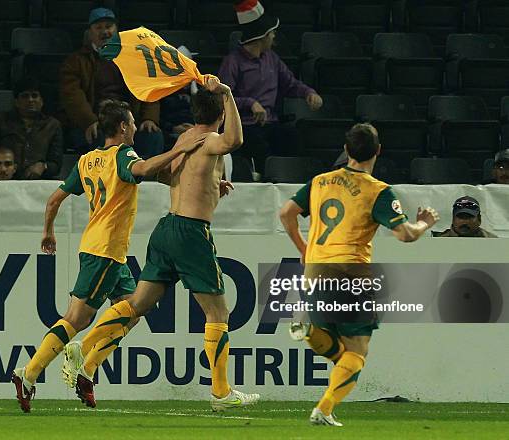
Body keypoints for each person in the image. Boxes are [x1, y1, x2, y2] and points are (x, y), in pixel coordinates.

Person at [61, 78, 259, 412]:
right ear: (221, 114)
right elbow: (235, 140)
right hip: (191, 232)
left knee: (137, 304)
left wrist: (211, 182)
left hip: (165, 229)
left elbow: (167, 174)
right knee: (218, 312)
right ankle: (221, 392)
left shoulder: (185, 138)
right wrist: (227, 93)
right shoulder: (211, 139)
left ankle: (86, 349)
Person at [11, 99, 206, 413]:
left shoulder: (88, 160)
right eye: (130, 124)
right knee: (77, 319)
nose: (133, 131)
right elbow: (143, 168)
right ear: (125, 127)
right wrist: (179, 150)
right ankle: (29, 374)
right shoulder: (125, 155)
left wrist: (48, 231)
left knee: (134, 309)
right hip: (105, 252)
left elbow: (53, 200)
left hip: (107, 252)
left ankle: (87, 369)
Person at [279, 123, 440, 426]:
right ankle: (324, 409)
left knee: (342, 354)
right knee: (357, 353)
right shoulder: (377, 190)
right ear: (378, 151)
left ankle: (311, 332)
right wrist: (425, 223)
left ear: (346, 150)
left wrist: (304, 247)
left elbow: (286, 213)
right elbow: (405, 235)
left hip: (314, 273)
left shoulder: (319, 181)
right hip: (350, 275)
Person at [218, 0, 323, 177]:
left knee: (292, 137)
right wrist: (250, 103)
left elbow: (290, 83)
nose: (274, 36)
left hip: (270, 123)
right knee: (258, 144)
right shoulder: (232, 62)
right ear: (262, 36)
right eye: (271, 33)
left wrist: (308, 93)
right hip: (244, 126)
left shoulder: (272, 59)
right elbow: (222, 97)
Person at [59, 7, 164, 158]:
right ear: (89, 33)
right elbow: (72, 96)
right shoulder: (76, 61)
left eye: (108, 27)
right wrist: (89, 121)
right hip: (97, 121)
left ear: (116, 30)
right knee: (98, 139)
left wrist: (149, 118)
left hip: (129, 121)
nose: (105, 32)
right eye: (98, 28)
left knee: (152, 136)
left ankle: (143, 179)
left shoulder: (133, 58)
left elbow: (148, 89)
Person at [0, 76, 63, 179]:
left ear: (42, 101)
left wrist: (43, 166)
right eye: (25, 96)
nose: (30, 100)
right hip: (3, 181)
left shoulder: (52, 125)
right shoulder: (0, 122)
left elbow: (56, 164)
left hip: (38, 183)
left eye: (34, 96)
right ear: (16, 102)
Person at [432, 196, 497, 238]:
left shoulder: (493, 241)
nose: (464, 222)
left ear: (479, 219)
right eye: (461, 217)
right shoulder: (439, 241)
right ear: (453, 219)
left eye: (469, 217)